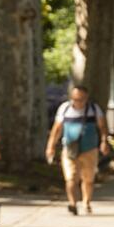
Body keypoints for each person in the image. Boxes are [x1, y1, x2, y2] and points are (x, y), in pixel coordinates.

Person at [46, 81, 109, 215]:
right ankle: (72, 203)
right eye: (75, 99)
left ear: (86, 98)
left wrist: (104, 141)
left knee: (88, 179)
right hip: (70, 149)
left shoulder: (94, 109)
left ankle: (86, 202)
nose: (78, 102)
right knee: (70, 177)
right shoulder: (64, 109)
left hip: (90, 149)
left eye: (81, 99)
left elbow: (102, 127)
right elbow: (56, 129)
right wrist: (50, 146)